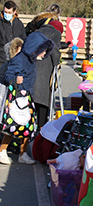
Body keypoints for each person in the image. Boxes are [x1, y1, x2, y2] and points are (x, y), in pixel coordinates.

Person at [0, 31, 54, 165]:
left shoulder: (31, 60)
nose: (44, 54)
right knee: (13, 126)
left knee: (28, 128)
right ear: (35, 48)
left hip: (26, 96)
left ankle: (23, 154)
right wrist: (15, 80)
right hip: (17, 97)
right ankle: (2, 151)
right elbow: (8, 75)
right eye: (42, 51)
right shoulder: (19, 59)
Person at [34, 20, 64, 128]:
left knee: (33, 99)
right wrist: (57, 62)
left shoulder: (37, 31)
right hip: (45, 68)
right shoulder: (55, 34)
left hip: (33, 65)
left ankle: (31, 130)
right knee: (43, 99)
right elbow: (54, 49)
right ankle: (42, 128)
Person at [0, 0, 26, 66]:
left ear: (14, 12)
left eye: (9, 12)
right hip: (2, 58)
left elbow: (23, 38)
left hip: (15, 58)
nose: (6, 14)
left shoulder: (19, 24)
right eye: (5, 12)